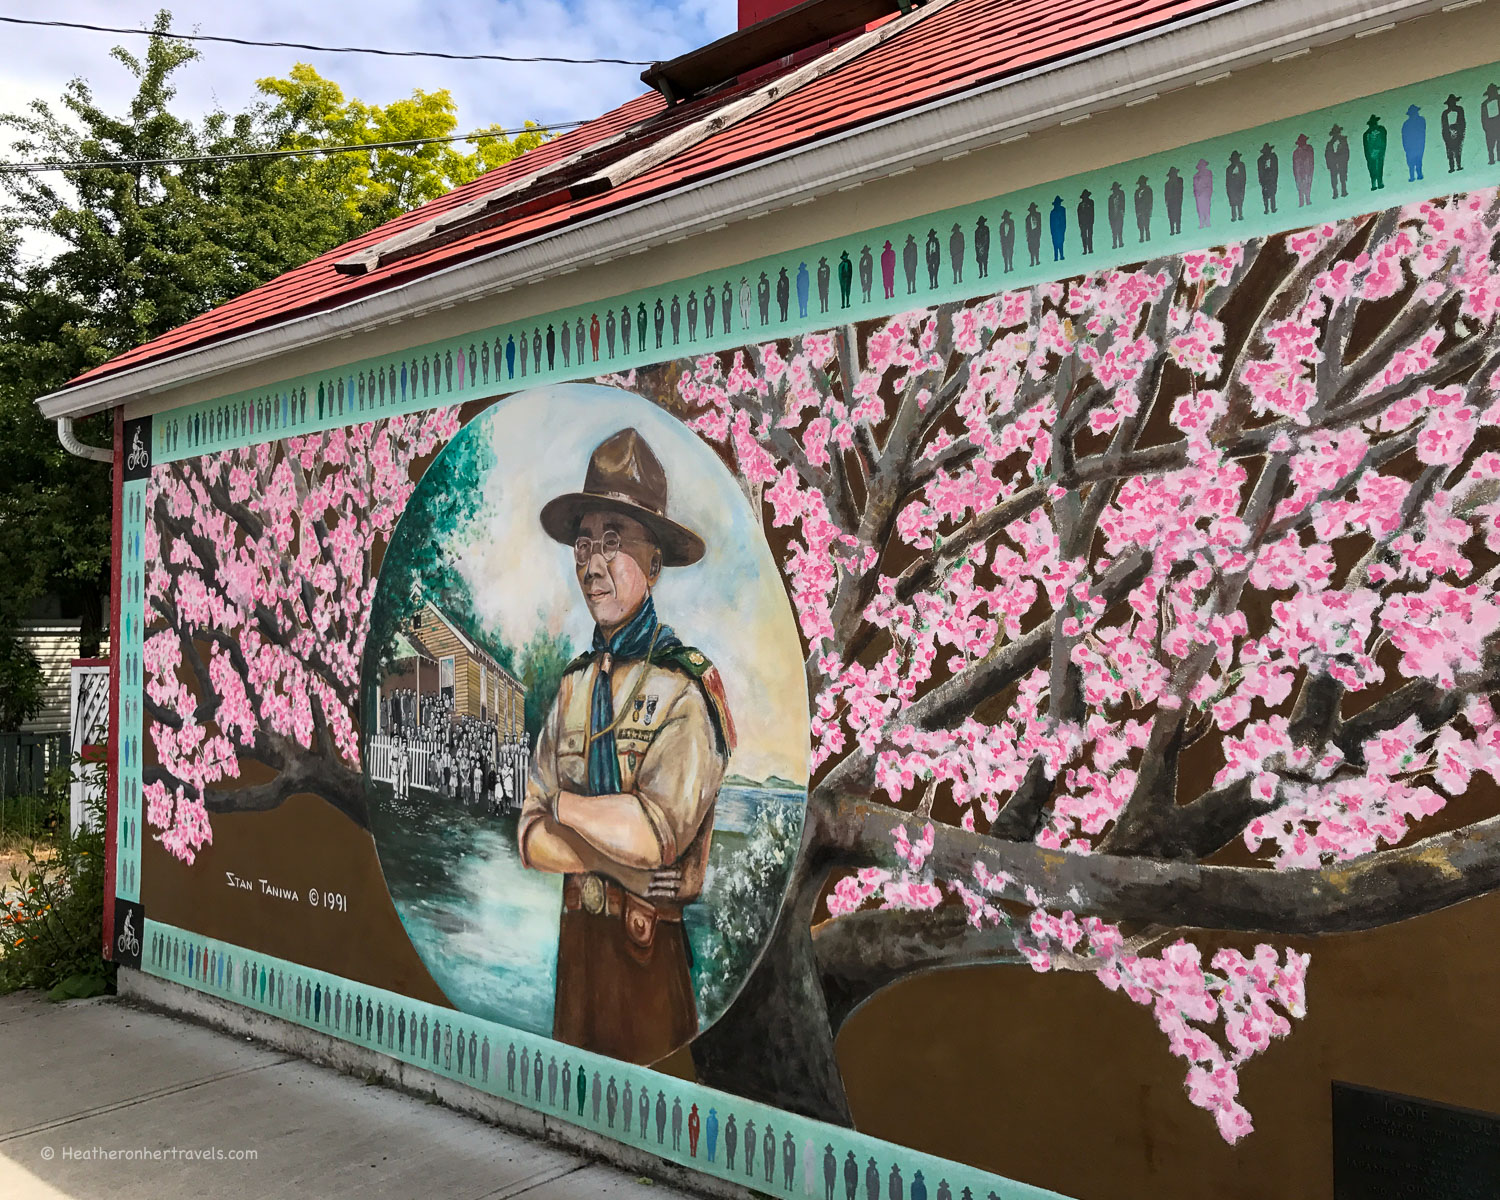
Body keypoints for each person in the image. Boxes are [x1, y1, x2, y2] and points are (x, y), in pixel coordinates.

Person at [520, 429, 735, 1064]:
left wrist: (563, 807)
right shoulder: (573, 686)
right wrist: (613, 862)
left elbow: (655, 834)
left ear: (656, 561)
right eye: (584, 544)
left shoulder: (687, 687)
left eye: (613, 542)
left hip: (647, 957)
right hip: (577, 954)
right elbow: (529, 838)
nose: (592, 564)